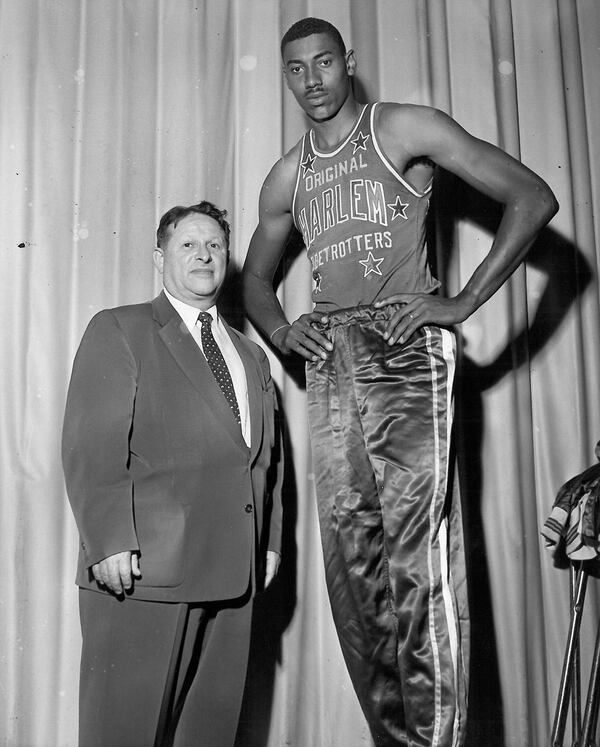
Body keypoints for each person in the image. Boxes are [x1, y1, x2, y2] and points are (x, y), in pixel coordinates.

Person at [242, 17, 558, 747]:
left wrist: (466, 300)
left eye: (325, 62)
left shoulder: (403, 128)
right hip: (331, 361)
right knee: (355, 576)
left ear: (348, 62)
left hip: (404, 346)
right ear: (286, 77)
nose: (312, 80)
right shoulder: (290, 175)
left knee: (420, 563)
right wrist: (285, 329)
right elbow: (257, 281)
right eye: (296, 69)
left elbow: (532, 197)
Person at [62, 200, 283, 747]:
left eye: (215, 245)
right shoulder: (120, 329)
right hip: (143, 575)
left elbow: (266, 463)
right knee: (124, 734)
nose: (204, 255)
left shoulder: (252, 357)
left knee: (208, 735)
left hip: (235, 574)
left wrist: (270, 542)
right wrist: (109, 540)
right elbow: (92, 445)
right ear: (160, 258)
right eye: (189, 245)